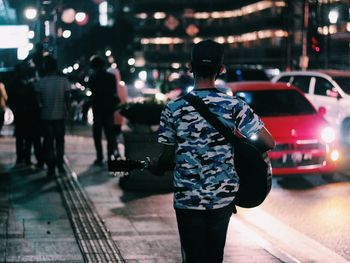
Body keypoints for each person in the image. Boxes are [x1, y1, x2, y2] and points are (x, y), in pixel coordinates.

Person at [149, 40, 275, 263]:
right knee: (215, 257)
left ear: (190, 67)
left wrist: (156, 167)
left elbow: (167, 160)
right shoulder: (234, 106)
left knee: (193, 257)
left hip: (187, 199)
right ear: (221, 69)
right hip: (222, 198)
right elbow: (268, 141)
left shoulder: (173, 108)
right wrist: (240, 146)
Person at [35, 56, 70, 176]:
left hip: (46, 116)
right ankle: (60, 164)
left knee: (49, 142)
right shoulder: (64, 81)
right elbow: (67, 100)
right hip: (60, 116)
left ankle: (50, 167)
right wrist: (68, 113)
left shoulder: (40, 82)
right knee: (60, 141)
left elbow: (38, 102)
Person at [9, 64, 43, 167]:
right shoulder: (26, 84)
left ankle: (22, 158)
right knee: (30, 137)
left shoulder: (14, 84)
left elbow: (11, 100)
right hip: (28, 114)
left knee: (21, 137)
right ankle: (28, 159)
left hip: (20, 113)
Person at [88, 55, 119, 165]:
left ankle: (100, 156)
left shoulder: (93, 77)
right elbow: (114, 91)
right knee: (109, 133)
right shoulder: (111, 77)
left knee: (97, 134)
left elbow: (92, 92)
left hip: (98, 107)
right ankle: (110, 155)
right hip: (109, 108)